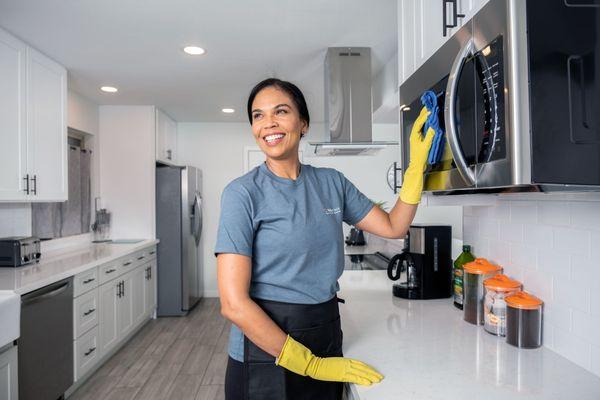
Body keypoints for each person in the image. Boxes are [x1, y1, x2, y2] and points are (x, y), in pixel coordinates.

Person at [215, 78, 434, 400]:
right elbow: (233, 305)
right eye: (258, 115)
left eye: (281, 111)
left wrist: (416, 169)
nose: (268, 123)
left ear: (302, 124)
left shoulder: (331, 183)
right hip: (266, 350)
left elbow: (393, 227)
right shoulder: (242, 194)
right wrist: (309, 364)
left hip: (324, 330)